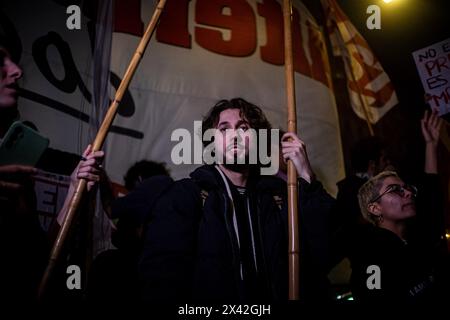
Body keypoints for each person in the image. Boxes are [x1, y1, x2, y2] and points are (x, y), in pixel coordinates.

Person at [138, 98, 335, 302]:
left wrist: (306, 177)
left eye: (243, 128)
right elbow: (161, 280)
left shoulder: (280, 199)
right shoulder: (186, 196)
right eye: (224, 129)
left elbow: (325, 251)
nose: (235, 136)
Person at [0, 13, 104, 302]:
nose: (17, 70)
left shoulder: (16, 171)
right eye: (0, 61)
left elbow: (39, 260)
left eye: (13, 60)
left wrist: (73, 192)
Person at [349, 110, 449, 302]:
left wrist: (430, 145)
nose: (408, 193)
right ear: (375, 208)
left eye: (406, 188)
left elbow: (432, 198)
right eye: (395, 190)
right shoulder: (370, 258)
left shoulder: (419, 239)